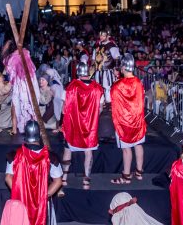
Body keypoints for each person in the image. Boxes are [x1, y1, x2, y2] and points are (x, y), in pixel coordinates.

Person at [4, 120, 63, 225]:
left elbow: (8, 177)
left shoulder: (14, 155)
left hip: (20, 201)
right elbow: (58, 181)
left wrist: (20, 193)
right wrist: (44, 195)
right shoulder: (51, 157)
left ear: (25, 134)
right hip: (41, 204)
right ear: (39, 134)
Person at [61, 61, 104, 191]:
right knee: (88, 153)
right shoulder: (98, 88)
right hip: (90, 128)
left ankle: (64, 179)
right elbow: (100, 109)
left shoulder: (70, 87)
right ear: (88, 73)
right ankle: (86, 182)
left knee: (68, 151)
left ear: (78, 72)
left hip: (73, 127)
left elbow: (64, 109)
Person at [110, 55, 146, 183]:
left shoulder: (117, 85)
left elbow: (112, 102)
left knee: (126, 149)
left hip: (124, 122)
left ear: (123, 67)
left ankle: (126, 177)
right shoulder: (138, 82)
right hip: (137, 121)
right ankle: (139, 172)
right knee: (138, 145)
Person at [2, 41, 39, 135]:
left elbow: (10, 72)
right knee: (23, 103)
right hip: (28, 80)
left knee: (20, 103)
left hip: (22, 82)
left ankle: (25, 127)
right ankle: (22, 127)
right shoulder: (24, 53)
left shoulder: (13, 58)